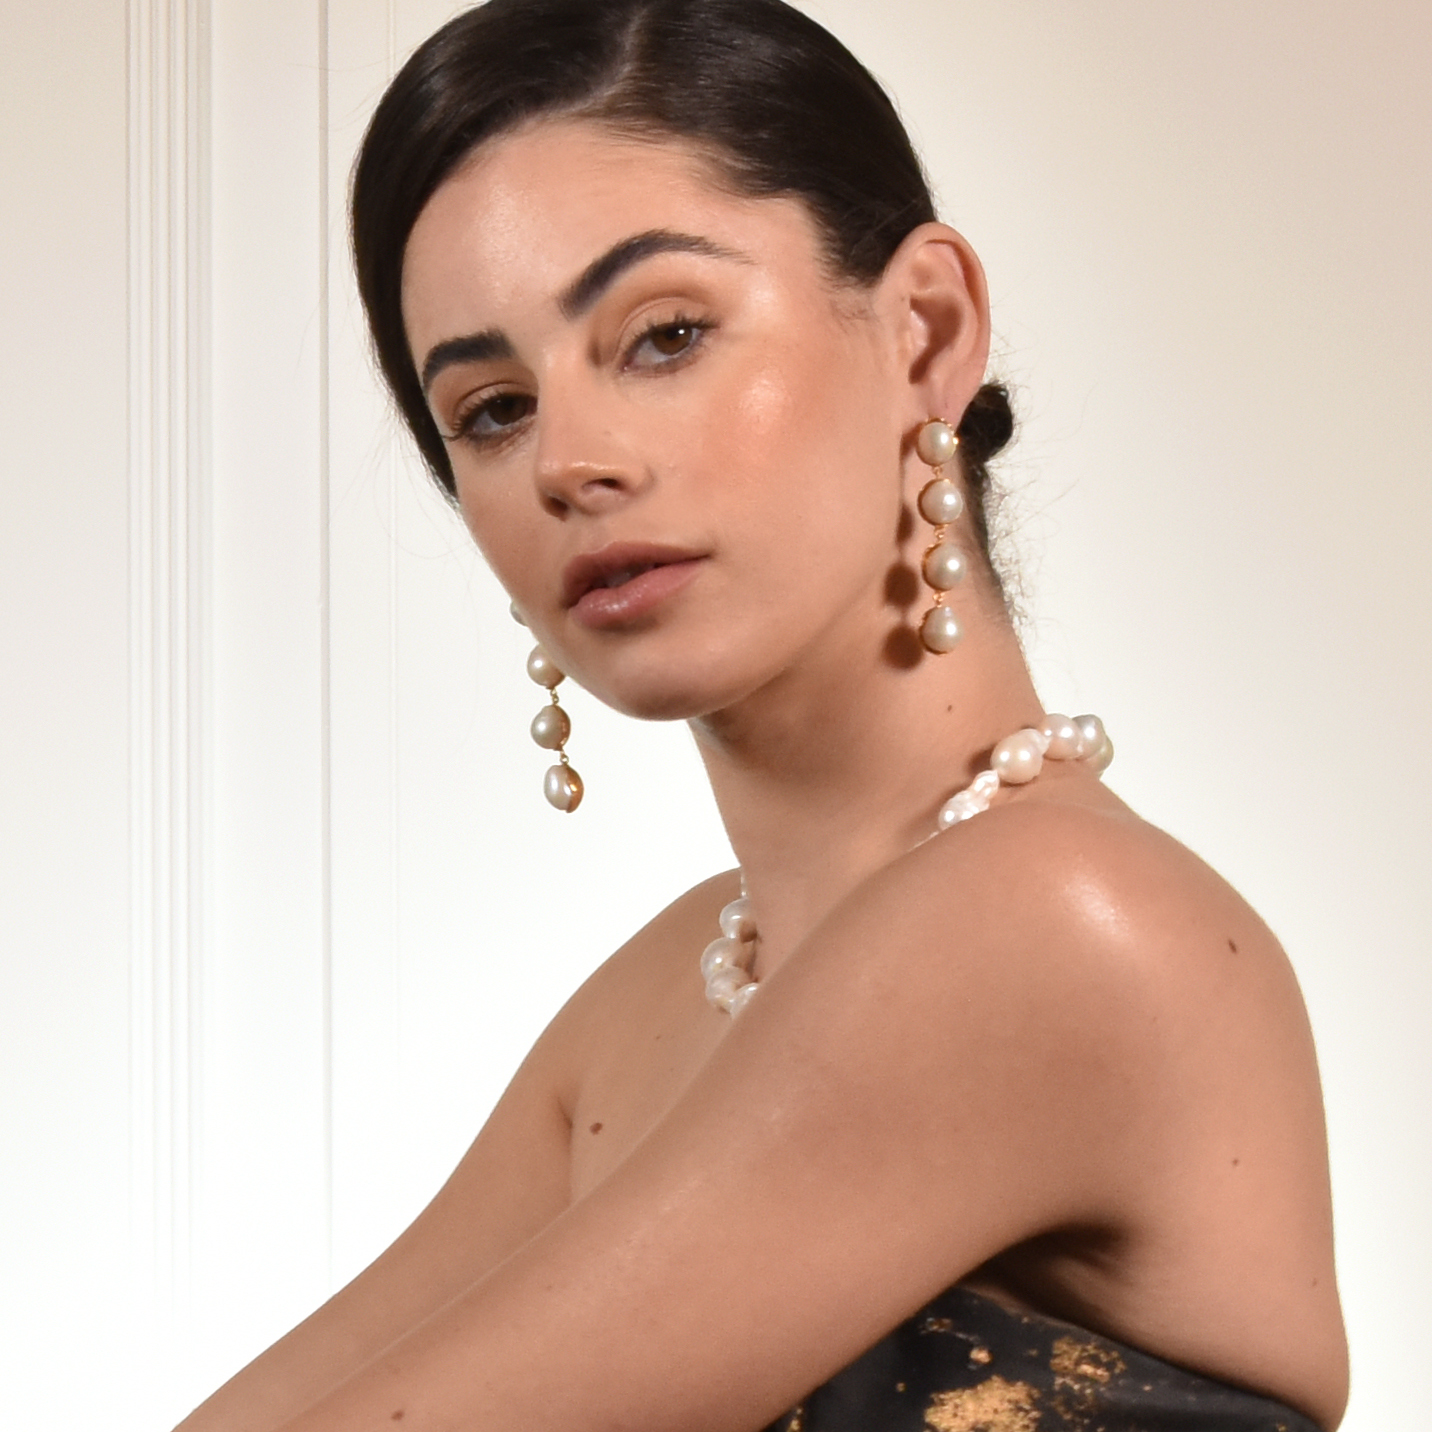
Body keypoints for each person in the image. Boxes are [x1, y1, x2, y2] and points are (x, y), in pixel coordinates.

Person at [176, 1, 1349, 1427]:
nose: (567, 461)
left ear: (925, 330)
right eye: (490, 409)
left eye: (664, 335)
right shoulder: (657, 1002)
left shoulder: (1053, 922)